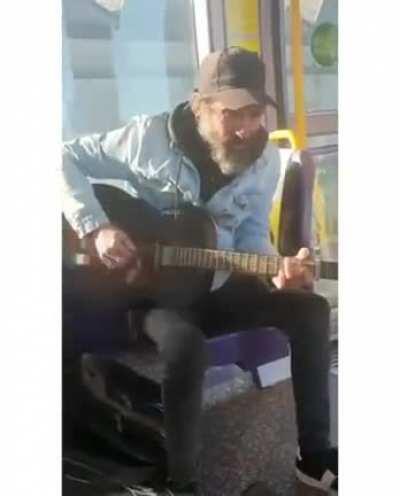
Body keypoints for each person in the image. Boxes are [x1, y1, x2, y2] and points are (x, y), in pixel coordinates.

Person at [62, 47, 338, 495]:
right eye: (233, 114)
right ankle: (182, 484)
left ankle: (315, 457)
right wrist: (96, 228)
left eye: (255, 113)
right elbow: (62, 157)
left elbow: (250, 236)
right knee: (185, 346)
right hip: (160, 293)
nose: (247, 128)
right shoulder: (148, 138)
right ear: (200, 107)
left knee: (309, 309)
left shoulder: (264, 160)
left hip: (220, 282)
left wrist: (273, 273)